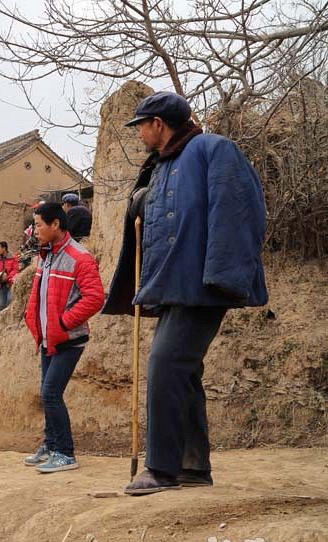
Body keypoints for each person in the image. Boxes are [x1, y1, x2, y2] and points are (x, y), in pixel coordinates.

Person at [105, 91, 268, 495]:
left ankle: (162, 468)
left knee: (164, 365)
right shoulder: (162, 165)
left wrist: (224, 276)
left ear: (158, 124)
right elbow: (167, 218)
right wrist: (142, 202)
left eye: (141, 126)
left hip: (203, 285)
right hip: (173, 286)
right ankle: (193, 465)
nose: (139, 134)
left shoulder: (213, 149)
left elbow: (239, 210)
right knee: (184, 372)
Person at [22, 203, 104, 473]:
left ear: (55, 224)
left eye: (39, 225)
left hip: (68, 339)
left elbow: (94, 298)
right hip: (49, 338)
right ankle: (51, 444)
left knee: (51, 393)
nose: (35, 231)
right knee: (48, 394)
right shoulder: (47, 254)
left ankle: (65, 453)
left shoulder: (79, 257)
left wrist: (63, 323)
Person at [0, 241, 18, 311]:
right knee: (2, 304)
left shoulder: (13, 258)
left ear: (4, 248)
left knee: (10, 300)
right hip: (1, 284)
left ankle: (9, 316)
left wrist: (7, 277)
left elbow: (15, 270)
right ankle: (2, 317)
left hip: (10, 283)